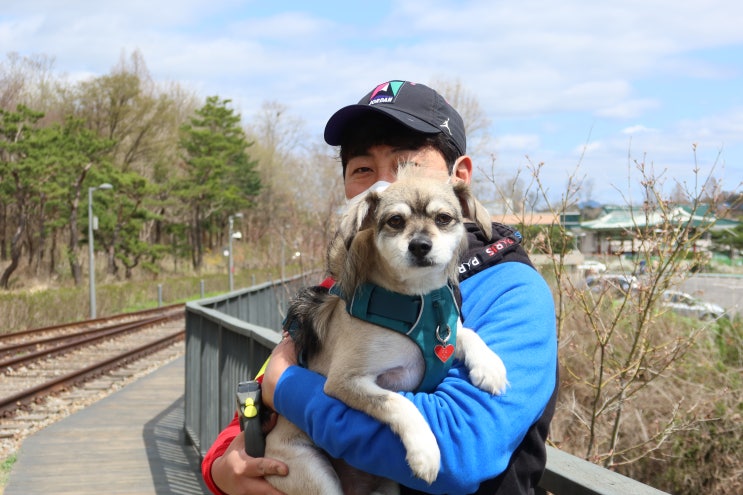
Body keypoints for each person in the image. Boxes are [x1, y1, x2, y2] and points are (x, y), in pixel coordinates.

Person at [202, 80, 558, 495]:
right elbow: (256, 403)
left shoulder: (513, 290)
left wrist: (291, 389)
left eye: (406, 164)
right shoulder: (340, 289)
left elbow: (460, 451)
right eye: (363, 171)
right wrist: (221, 467)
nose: (385, 186)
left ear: (459, 176)